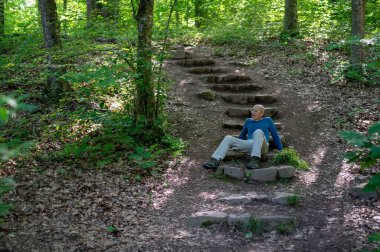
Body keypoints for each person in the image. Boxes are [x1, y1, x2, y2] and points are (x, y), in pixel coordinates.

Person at [203, 104, 283, 170]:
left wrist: (281, 150)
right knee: (228, 138)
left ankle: (255, 160)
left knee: (258, 131)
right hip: (249, 145)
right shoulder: (248, 121)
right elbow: (241, 137)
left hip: (263, 146)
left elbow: (275, 136)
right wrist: (234, 145)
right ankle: (215, 161)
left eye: (256, 111)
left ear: (261, 113)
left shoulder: (267, 120)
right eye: (252, 110)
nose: (253, 112)